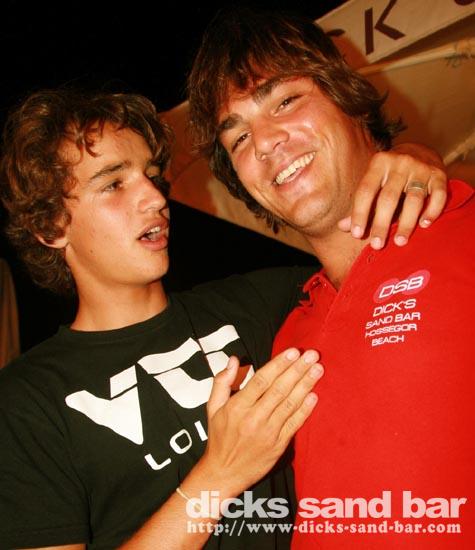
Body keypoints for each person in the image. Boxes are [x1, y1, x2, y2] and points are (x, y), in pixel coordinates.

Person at [0, 88, 445, 550]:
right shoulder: (27, 403)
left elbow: (376, 259)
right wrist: (220, 474)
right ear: (51, 226)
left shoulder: (260, 302)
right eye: (114, 184)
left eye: (151, 176)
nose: (154, 197)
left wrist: (416, 159)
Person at [187, 7, 475, 549]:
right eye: (239, 138)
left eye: (285, 101)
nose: (264, 141)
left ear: (348, 99)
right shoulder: (288, 335)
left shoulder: (466, 233)